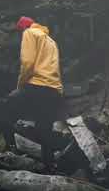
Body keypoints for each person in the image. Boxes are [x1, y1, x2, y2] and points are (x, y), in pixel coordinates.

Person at [4, 16, 64, 171]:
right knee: (45, 128)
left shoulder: (29, 33)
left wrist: (20, 85)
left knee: (7, 109)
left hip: (37, 85)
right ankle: (49, 167)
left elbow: (28, 63)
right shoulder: (51, 41)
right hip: (54, 89)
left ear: (23, 27)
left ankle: (9, 152)